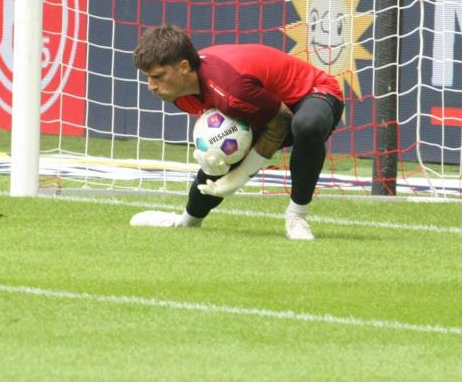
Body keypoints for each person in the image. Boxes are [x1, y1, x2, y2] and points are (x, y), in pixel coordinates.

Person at [128, 24, 345, 241]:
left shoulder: (230, 89)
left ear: (184, 67)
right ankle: (187, 221)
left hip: (313, 92)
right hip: (264, 105)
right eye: (148, 77)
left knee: (306, 126)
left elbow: (281, 122)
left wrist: (241, 175)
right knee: (217, 155)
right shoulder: (182, 93)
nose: (151, 86)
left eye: (158, 76)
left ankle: (296, 216)